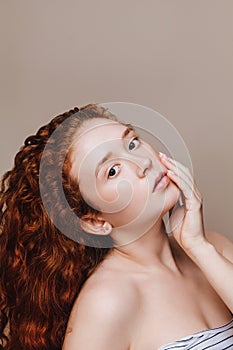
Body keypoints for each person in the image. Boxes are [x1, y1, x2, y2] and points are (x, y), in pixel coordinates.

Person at [0, 104, 233, 350]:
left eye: (132, 143)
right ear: (95, 222)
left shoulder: (214, 247)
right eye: (112, 171)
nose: (142, 162)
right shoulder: (105, 304)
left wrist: (199, 247)